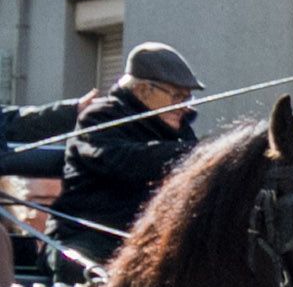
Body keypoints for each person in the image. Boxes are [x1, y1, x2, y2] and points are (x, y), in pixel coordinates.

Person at [0, 39, 203, 269]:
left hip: (146, 241)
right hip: (87, 238)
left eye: (188, 98)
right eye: (177, 96)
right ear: (144, 90)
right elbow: (122, 161)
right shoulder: (100, 118)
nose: (184, 106)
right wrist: (191, 153)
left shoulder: (179, 131)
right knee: (82, 269)